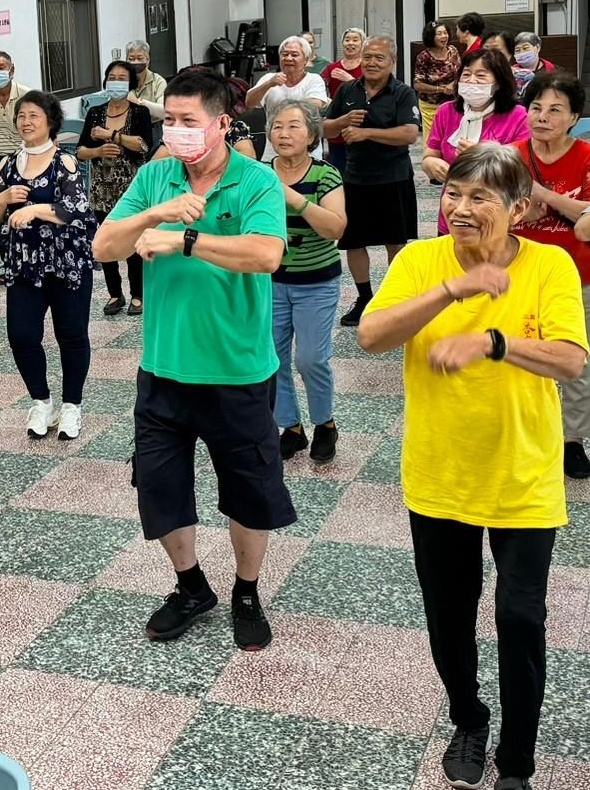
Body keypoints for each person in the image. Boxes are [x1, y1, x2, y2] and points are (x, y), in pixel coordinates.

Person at [359, 145, 587, 790]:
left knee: (520, 617)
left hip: (523, 472)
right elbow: (372, 336)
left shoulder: (549, 265)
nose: (460, 208)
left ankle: (516, 762)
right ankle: (468, 717)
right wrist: (451, 291)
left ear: (519, 209)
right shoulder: (420, 261)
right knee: (449, 616)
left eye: (480, 197)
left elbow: (570, 360)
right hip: (441, 470)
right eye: (453, 193)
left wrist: (493, 343)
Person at [93, 68, 296, 652]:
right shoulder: (154, 176)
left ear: (222, 123)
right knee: (159, 486)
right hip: (163, 368)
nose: (177, 130)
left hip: (237, 370)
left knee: (249, 490)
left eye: (189, 121)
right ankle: (190, 585)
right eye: (170, 121)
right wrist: (153, 215)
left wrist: (187, 239)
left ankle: (247, 591)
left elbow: (266, 255)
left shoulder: (255, 180)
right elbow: (105, 245)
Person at [0, 90, 96, 441]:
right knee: (22, 335)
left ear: (50, 122)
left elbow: (76, 208)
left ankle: (72, 406)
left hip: (66, 263)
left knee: (71, 334)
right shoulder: (5, 165)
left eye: (34, 116)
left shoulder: (65, 162)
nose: (26, 122)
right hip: (24, 265)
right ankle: (41, 402)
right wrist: (2, 200)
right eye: (21, 116)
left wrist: (34, 210)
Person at [514, 71, 590, 480]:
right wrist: (531, 211)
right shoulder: (511, 156)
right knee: (519, 354)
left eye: (555, 110)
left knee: (576, 360)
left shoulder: (587, 157)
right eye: (536, 107)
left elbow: (588, 223)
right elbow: (499, 211)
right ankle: (522, 432)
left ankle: (572, 439)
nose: (542, 117)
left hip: (578, 274)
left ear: (574, 117)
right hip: (518, 272)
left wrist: (542, 196)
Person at [266, 102, 346, 465]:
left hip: (316, 282)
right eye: (278, 126)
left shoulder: (325, 174)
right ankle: (291, 427)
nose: (284, 134)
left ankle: (324, 423)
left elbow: (335, 228)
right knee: (273, 358)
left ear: (312, 134)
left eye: (294, 126)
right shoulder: (261, 173)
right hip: (269, 282)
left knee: (311, 359)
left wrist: (294, 198)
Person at [323, 36, 421, 327]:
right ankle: (364, 297)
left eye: (379, 57)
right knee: (354, 242)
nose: (372, 63)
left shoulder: (403, 93)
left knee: (396, 242)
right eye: (368, 57)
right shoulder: (347, 89)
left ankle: (394, 298)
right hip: (355, 177)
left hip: (393, 177)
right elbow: (325, 129)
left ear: (392, 62)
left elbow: (409, 134)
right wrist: (343, 122)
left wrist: (366, 133)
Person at [422, 48, 529, 234]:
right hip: (453, 211)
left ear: (498, 83)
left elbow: (522, 168)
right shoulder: (446, 111)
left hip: (494, 214)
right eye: (466, 74)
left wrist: (482, 156)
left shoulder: (518, 115)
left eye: (480, 75)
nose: (471, 81)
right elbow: (430, 155)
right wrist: (431, 163)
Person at [78, 60, 152, 316]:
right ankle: (114, 294)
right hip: (101, 188)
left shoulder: (140, 112)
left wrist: (111, 135)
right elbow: (80, 151)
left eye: (122, 78)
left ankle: (138, 295)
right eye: (112, 77)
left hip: (131, 187)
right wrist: (97, 150)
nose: (116, 82)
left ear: (130, 83)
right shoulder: (95, 113)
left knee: (133, 240)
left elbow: (143, 146)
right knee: (106, 239)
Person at [245, 36, 328, 161]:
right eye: (284, 54)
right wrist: (268, 84)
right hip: (273, 149)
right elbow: (249, 103)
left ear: (306, 60)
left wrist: (285, 109)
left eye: (294, 55)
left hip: (306, 148)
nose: (288, 58)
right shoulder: (268, 78)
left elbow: (315, 103)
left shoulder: (314, 79)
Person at [320, 28, 366, 174]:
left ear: (363, 44)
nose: (350, 43)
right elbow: (319, 87)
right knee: (338, 168)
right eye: (347, 40)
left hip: (361, 122)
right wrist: (325, 100)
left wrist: (350, 80)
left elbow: (372, 91)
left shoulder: (367, 67)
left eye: (355, 40)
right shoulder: (331, 68)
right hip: (337, 122)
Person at [413, 20, 461, 135]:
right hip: (431, 104)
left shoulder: (452, 50)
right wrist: (442, 89)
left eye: (445, 33)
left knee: (451, 136)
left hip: (452, 103)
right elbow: (418, 85)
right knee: (432, 138)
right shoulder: (424, 57)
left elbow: (461, 72)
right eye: (439, 34)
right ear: (431, 37)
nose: (444, 36)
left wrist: (455, 83)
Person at [125, 40, 168, 122]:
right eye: (131, 59)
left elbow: (163, 111)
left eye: (140, 58)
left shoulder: (158, 81)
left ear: (148, 60)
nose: (135, 62)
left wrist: (141, 103)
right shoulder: (122, 81)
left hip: (153, 125)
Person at [512, 32, 554, 98]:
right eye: (517, 50)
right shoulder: (510, 73)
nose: (522, 52)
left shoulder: (553, 71)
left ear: (537, 48)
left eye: (525, 48)